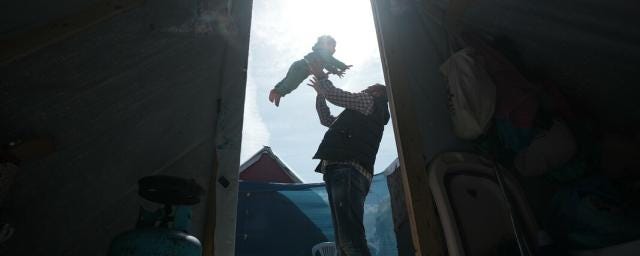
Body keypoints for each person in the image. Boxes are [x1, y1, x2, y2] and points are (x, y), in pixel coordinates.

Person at [306, 60, 389, 256]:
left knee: (350, 240)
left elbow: (336, 95)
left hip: (347, 169)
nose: (365, 90)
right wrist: (320, 96)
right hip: (343, 169)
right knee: (344, 241)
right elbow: (327, 120)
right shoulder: (360, 115)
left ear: (378, 93)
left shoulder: (369, 102)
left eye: (369, 88)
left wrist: (321, 77)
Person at [269, 35, 352, 106]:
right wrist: (343, 66)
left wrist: (336, 72)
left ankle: (276, 91)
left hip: (300, 68)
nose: (334, 49)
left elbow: (328, 66)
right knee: (291, 82)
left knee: (289, 81)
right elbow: (332, 60)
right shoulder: (323, 52)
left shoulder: (323, 56)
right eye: (333, 46)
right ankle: (278, 92)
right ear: (324, 44)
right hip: (302, 67)